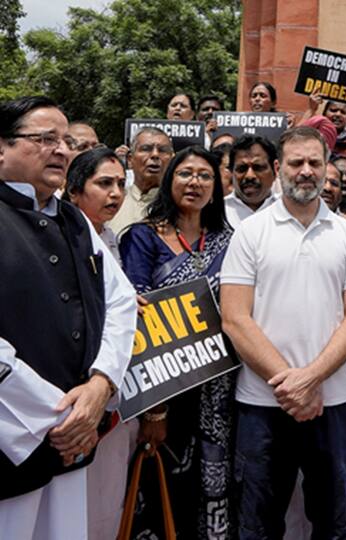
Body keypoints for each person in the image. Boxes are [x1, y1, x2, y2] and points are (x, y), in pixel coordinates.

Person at [220, 127, 346, 538]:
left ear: (327, 169)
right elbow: (234, 317)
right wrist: (291, 384)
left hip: (335, 402)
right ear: (278, 168)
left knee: (335, 521)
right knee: (257, 525)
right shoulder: (251, 232)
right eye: (296, 163)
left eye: (314, 163)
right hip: (263, 402)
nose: (305, 171)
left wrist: (312, 378)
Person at [0, 95, 136, 539]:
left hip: (72, 440)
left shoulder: (75, 221)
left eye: (66, 140)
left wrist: (100, 385)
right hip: (14, 439)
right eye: (45, 139)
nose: (61, 150)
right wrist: (61, 418)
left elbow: (120, 301)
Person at [119, 146, 235, 539]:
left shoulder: (229, 240)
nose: (195, 182)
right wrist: (155, 413)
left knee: (216, 485)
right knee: (162, 486)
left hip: (221, 392)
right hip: (165, 392)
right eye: (185, 173)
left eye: (205, 175)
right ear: (169, 181)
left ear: (216, 188)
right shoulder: (142, 237)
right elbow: (139, 323)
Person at [61, 147, 141, 540]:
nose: (115, 194)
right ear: (74, 191)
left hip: (116, 396)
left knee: (108, 505)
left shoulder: (111, 238)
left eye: (120, 185)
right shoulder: (63, 237)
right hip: (76, 397)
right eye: (104, 184)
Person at [107, 127, 174, 233]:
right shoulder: (110, 200)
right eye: (146, 149)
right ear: (130, 159)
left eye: (162, 150)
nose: (155, 155)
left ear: (171, 160)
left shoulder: (179, 206)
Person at [224, 134, 278, 230]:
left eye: (258, 167)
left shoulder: (288, 210)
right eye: (242, 168)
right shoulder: (217, 212)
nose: (250, 176)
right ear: (231, 172)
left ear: (275, 171)